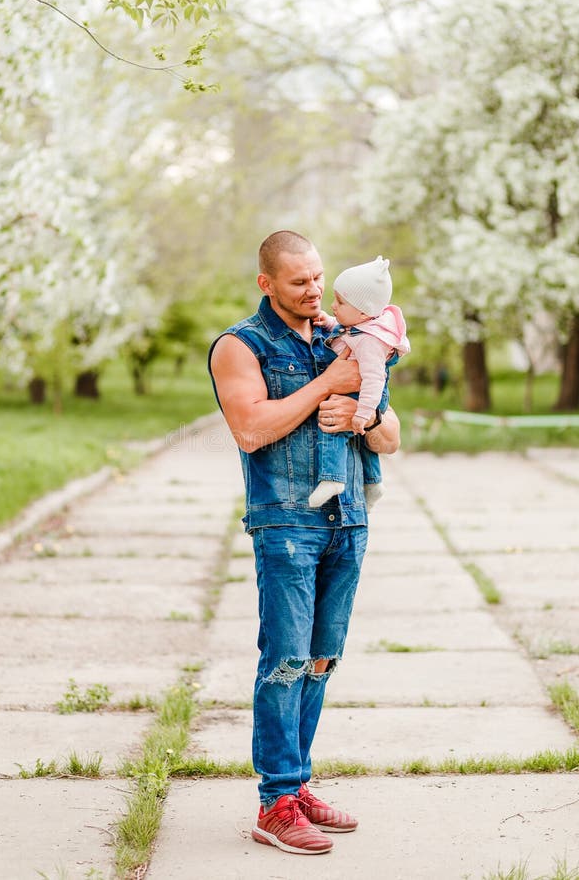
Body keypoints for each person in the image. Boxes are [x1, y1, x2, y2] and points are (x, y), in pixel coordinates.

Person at [208, 230, 400, 856]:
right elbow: (251, 430)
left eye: (318, 277)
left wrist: (362, 417)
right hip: (286, 523)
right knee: (286, 660)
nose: (315, 289)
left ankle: (299, 786)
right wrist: (325, 388)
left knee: (321, 660)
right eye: (299, 281)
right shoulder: (241, 345)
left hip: (348, 519)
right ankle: (275, 804)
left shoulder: (350, 335)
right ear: (266, 283)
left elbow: (391, 435)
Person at [309, 255, 410, 510]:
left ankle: (332, 479)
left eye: (340, 302)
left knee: (334, 424)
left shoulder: (371, 343)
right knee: (361, 437)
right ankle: (374, 483)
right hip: (363, 390)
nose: (332, 305)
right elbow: (347, 330)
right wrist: (329, 322)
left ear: (363, 311)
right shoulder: (365, 325)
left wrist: (363, 413)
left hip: (366, 394)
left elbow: (375, 379)